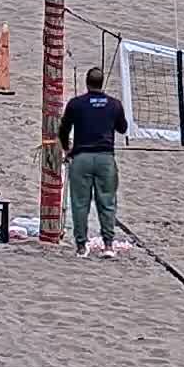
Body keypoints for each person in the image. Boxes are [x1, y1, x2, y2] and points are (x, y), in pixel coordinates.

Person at [58, 66, 128, 258]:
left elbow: (63, 130)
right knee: (107, 202)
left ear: (87, 83)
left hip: (81, 158)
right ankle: (108, 245)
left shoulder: (75, 104)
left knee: (80, 203)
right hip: (105, 158)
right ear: (101, 83)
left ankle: (81, 246)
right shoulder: (114, 104)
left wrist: (67, 149)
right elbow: (123, 128)